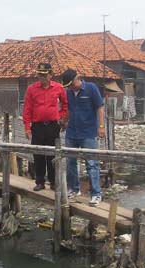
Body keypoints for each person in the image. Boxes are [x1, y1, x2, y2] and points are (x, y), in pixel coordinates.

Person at [60, 69, 105, 206]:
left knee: (91, 163)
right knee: (70, 162)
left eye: (71, 84)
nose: (70, 87)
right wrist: (64, 121)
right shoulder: (69, 93)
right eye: (68, 86)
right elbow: (69, 110)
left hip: (88, 132)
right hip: (72, 132)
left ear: (78, 78)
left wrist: (101, 126)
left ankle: (96, 194)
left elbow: (100, 107)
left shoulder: (91, 88)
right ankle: (74, 189)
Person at [22, 63, 68, 191]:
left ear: (50, 75)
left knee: (53, 155)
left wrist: (61, 117)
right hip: (37, 126)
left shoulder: (58, 88)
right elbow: (27, 109)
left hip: (53, 126)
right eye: (39, 75)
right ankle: (40, 181)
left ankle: (53, 182)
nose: (41, 77)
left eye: (44, 75)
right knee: (38, 154)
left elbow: (65, 105)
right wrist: (27, 127)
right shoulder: (31, 89)